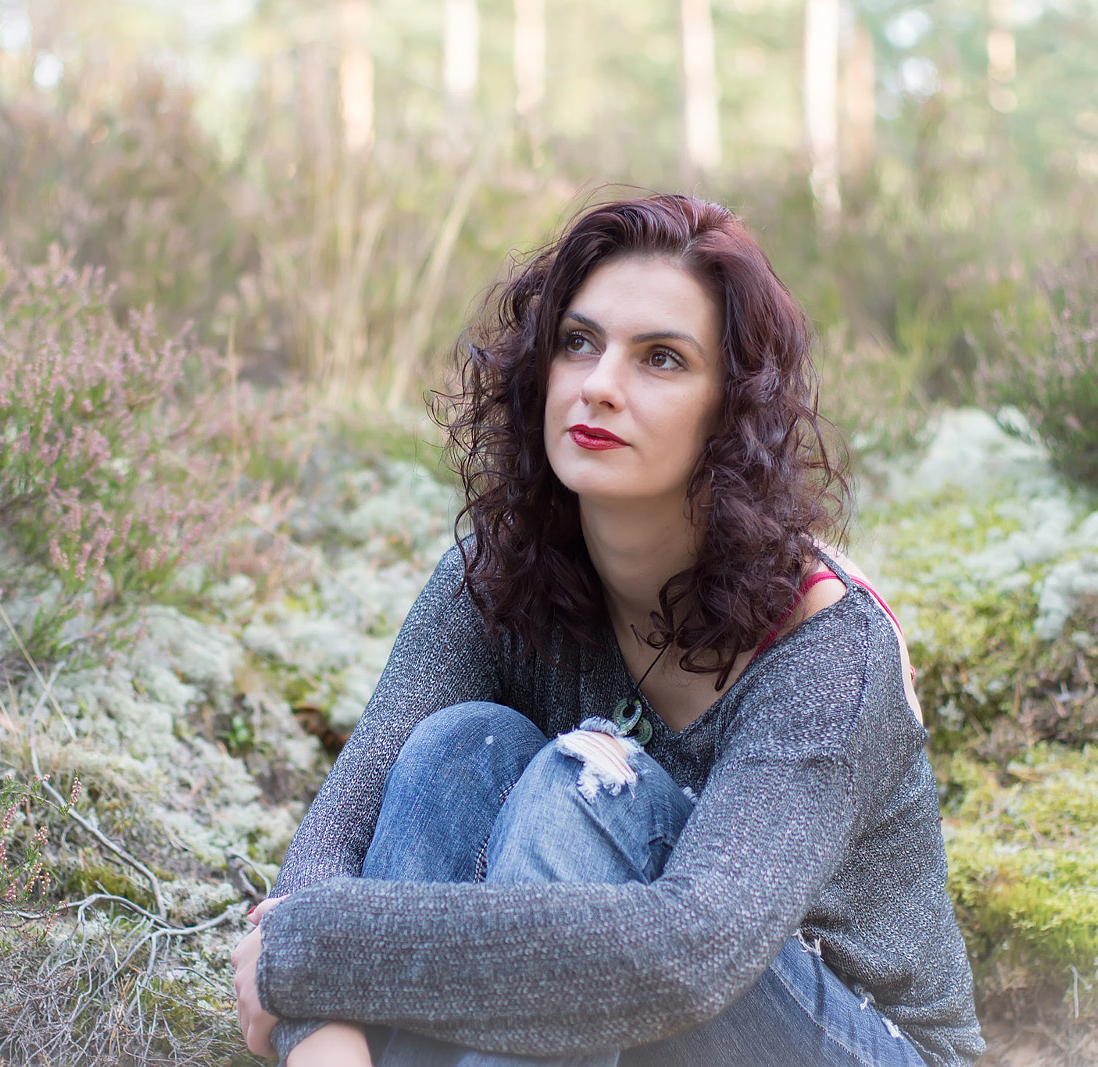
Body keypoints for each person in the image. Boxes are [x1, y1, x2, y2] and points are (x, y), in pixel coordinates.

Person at [231, 194, 985, 1067]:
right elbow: (334, 844)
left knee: (584, 789)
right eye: (578, 342)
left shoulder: (824, 649)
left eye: (661, 358)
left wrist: (312, 956)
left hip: (856, 1041)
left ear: (728, 411)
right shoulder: (497, 577)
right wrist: (319, 1033)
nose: (598, 384)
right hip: (622, 1031)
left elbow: (685, 958)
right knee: (458, 748)